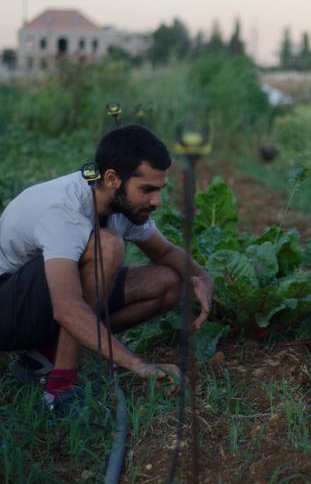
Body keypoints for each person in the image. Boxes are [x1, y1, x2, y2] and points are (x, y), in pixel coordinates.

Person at [0, 124, 214, 412]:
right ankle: (59, 392)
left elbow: (165, 252)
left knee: (171, 282)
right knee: (108, 246)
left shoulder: (120, 204)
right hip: (8, 309)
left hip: (45, 303)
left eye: (160, 190)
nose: (157, 201)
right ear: (112, 178)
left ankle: (43, 357)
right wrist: (141, 366)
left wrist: (202, 277)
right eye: (147, 190)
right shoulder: (64, 210)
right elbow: (66, 308)